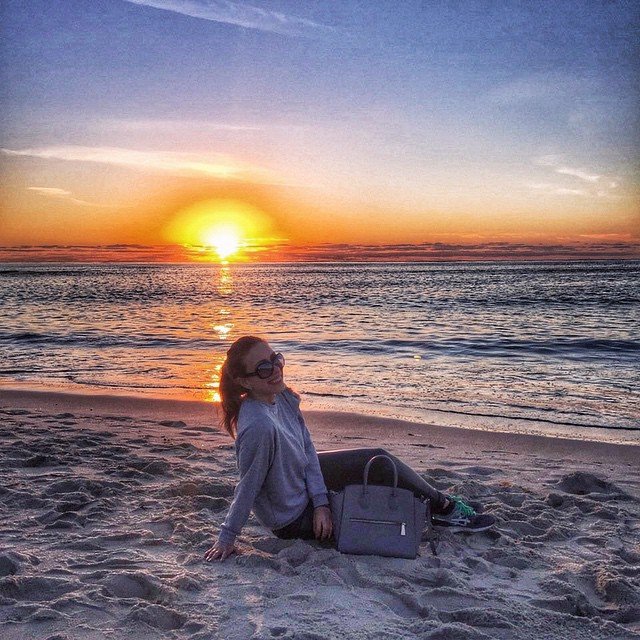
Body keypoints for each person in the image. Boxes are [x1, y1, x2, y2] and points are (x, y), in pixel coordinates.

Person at [204, 336, 495, 562]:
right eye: (263, 368)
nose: (275, 370)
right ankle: (442, 511)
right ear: (243, 381)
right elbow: (248, 486)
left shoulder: (281, 399)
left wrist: (320, 501)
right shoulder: (259, 427)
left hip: (304, 489)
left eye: (275, 359)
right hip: (292, 517)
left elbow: (307, 451)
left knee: (377, 459)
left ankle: (442, 505)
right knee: (377, 508)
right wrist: (227, 538)